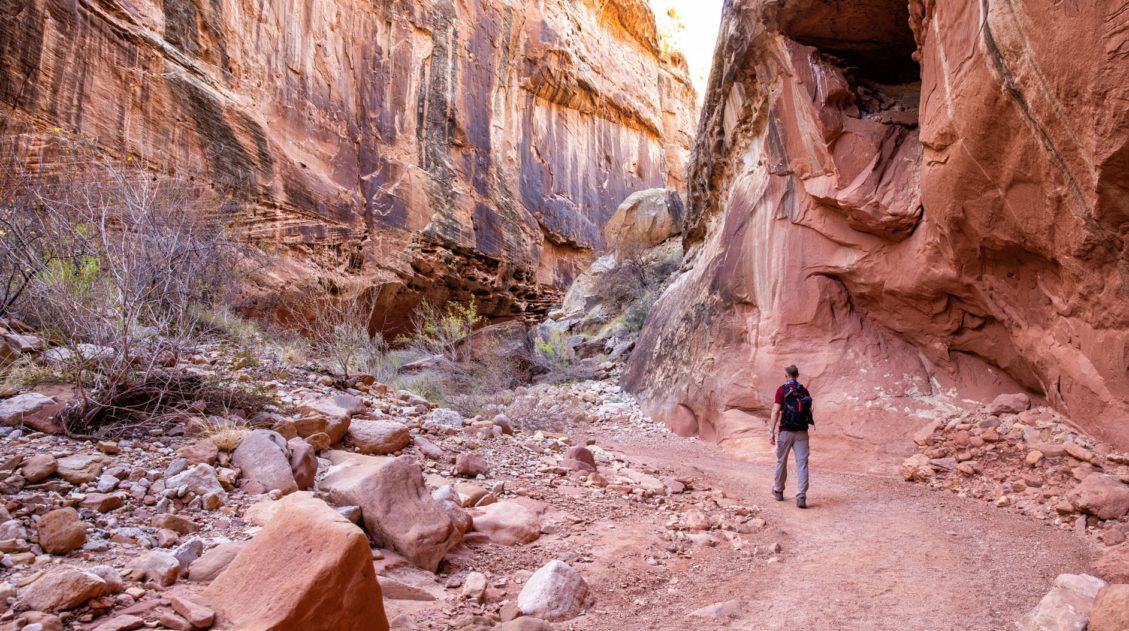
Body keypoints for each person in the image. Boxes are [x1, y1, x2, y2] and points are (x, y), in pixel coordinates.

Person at [767, 365, 813, 508]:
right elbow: (810, 409)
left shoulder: (781, 390)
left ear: (786, 376)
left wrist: (771, 431)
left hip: (785, 431)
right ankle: (801, 496)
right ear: (797, 375)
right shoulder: (803, 390)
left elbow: (775, 411)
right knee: (802, 463)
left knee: (781, 461)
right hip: (802, 432)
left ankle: (778, 490)